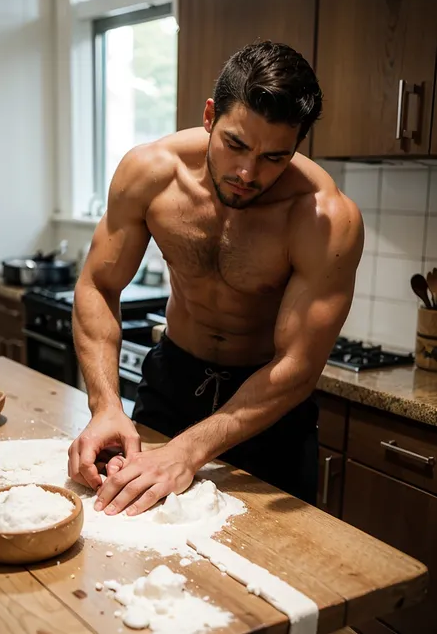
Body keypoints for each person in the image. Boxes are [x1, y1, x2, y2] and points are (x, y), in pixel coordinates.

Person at [68, 41, 363, 516]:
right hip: (172, 383)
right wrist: (105, 406)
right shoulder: (151, 174)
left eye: (275, 157)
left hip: (268, 412)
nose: (248, 172)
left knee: (274, 573)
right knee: (126, 542)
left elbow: (298, 367)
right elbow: (98, 286)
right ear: (210, 116)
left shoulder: (324, 218)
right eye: (236, 144)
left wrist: (186, 453)